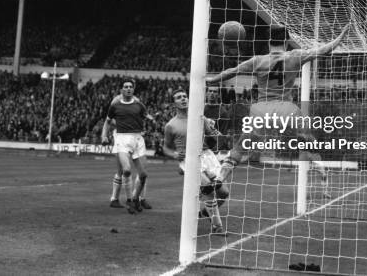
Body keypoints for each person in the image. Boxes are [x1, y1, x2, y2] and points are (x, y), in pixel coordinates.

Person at [206, 24, 350, 186]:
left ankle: (220, 178)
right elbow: (324, 50)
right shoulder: (296, 56)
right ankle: (320, 167)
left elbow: (231, 71)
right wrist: (341, 36)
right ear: (287, 41)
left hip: (261, 110)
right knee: (307, 140)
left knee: (240, 147)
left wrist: (211, 79)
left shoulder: (258, 61)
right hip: (287, 110)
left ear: (269, 41)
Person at [163, 89, 229, 235]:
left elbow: (213, 135)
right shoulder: (171, 125)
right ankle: (217, 227)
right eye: (179, 97)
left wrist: (216, 133)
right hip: (189, 159)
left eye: (185, 96)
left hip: (207, 155)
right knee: (208, 189)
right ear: (174, 103)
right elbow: (165, 148)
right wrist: (174, 155)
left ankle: (206, 210)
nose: (183, 99)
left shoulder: (200, 117)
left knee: (224, 193)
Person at [101, 79, 154, 214]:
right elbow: (108, 120)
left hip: (137, 138)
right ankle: (122, 199)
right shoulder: (115, 103)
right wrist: (105, 135)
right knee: (124, 170)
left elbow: (145, 117)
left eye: (131, 86)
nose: (128, 88)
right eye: (126, 86)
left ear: (134, 88)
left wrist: (149, 122)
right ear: (122, 89)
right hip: (121, 137)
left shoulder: (138, 103)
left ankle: (138, 199)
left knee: (143, 174)